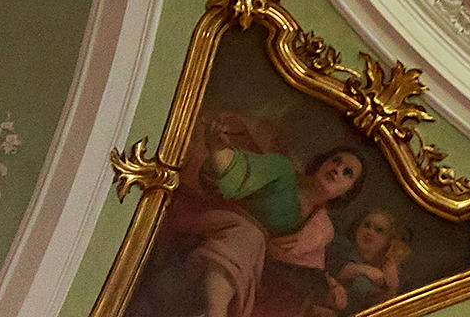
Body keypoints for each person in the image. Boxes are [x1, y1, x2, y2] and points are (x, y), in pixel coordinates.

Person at [161, 130, 367, 317]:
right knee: (251, 233)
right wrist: (218, 149)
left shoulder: (321, 227)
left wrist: (330, 285)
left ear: (348, 191)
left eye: (347, 172)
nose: (337, 169)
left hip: (249, 266)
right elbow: (237, 171)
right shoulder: (281, 171)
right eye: (335, 161)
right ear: (322, 162)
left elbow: (307, 269)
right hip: (211, 226)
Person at [328, 209, 409, 311]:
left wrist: (392, 288)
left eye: (379, 231)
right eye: (367, 225)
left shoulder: (384, 272)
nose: (370, 232)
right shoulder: (340, 246)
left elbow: (368, 305)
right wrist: (365, 270)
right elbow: (332, 269)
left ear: (387, 241)